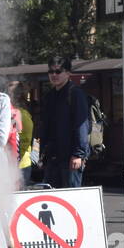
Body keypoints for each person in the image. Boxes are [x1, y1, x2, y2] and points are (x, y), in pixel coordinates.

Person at [38, 55, 91, 188]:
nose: (54, 75)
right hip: (52, 158)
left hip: (70, 158)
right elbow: (45, 127)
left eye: (58, 71)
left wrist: (78, 154)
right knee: (51, 198)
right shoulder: (49, 96)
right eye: (51, 71)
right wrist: (42, 154)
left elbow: (82, 125)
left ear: (68, 73)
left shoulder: (76, 94)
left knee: (70, 200)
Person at [9, 82, 36, 188]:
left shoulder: (19, 114)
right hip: (19, 163)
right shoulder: (19, 113)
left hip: (19, 165)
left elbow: (20, 141)